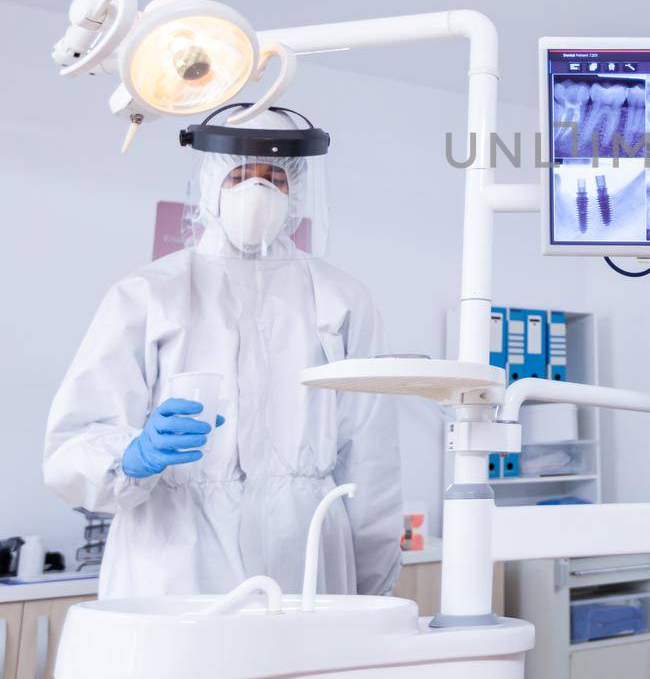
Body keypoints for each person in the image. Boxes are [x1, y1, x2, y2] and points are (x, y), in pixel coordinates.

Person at [45, 106, 401, 599]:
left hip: (307, 558)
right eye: (239, 175)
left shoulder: (341, 300)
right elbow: (69, 450)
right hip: (176, 561)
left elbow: (371, 465)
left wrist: (371, 591)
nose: (257, 192)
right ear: (211, 182)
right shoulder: (149, 294)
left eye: (274, 177)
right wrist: (130, 456)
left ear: (295, 189)